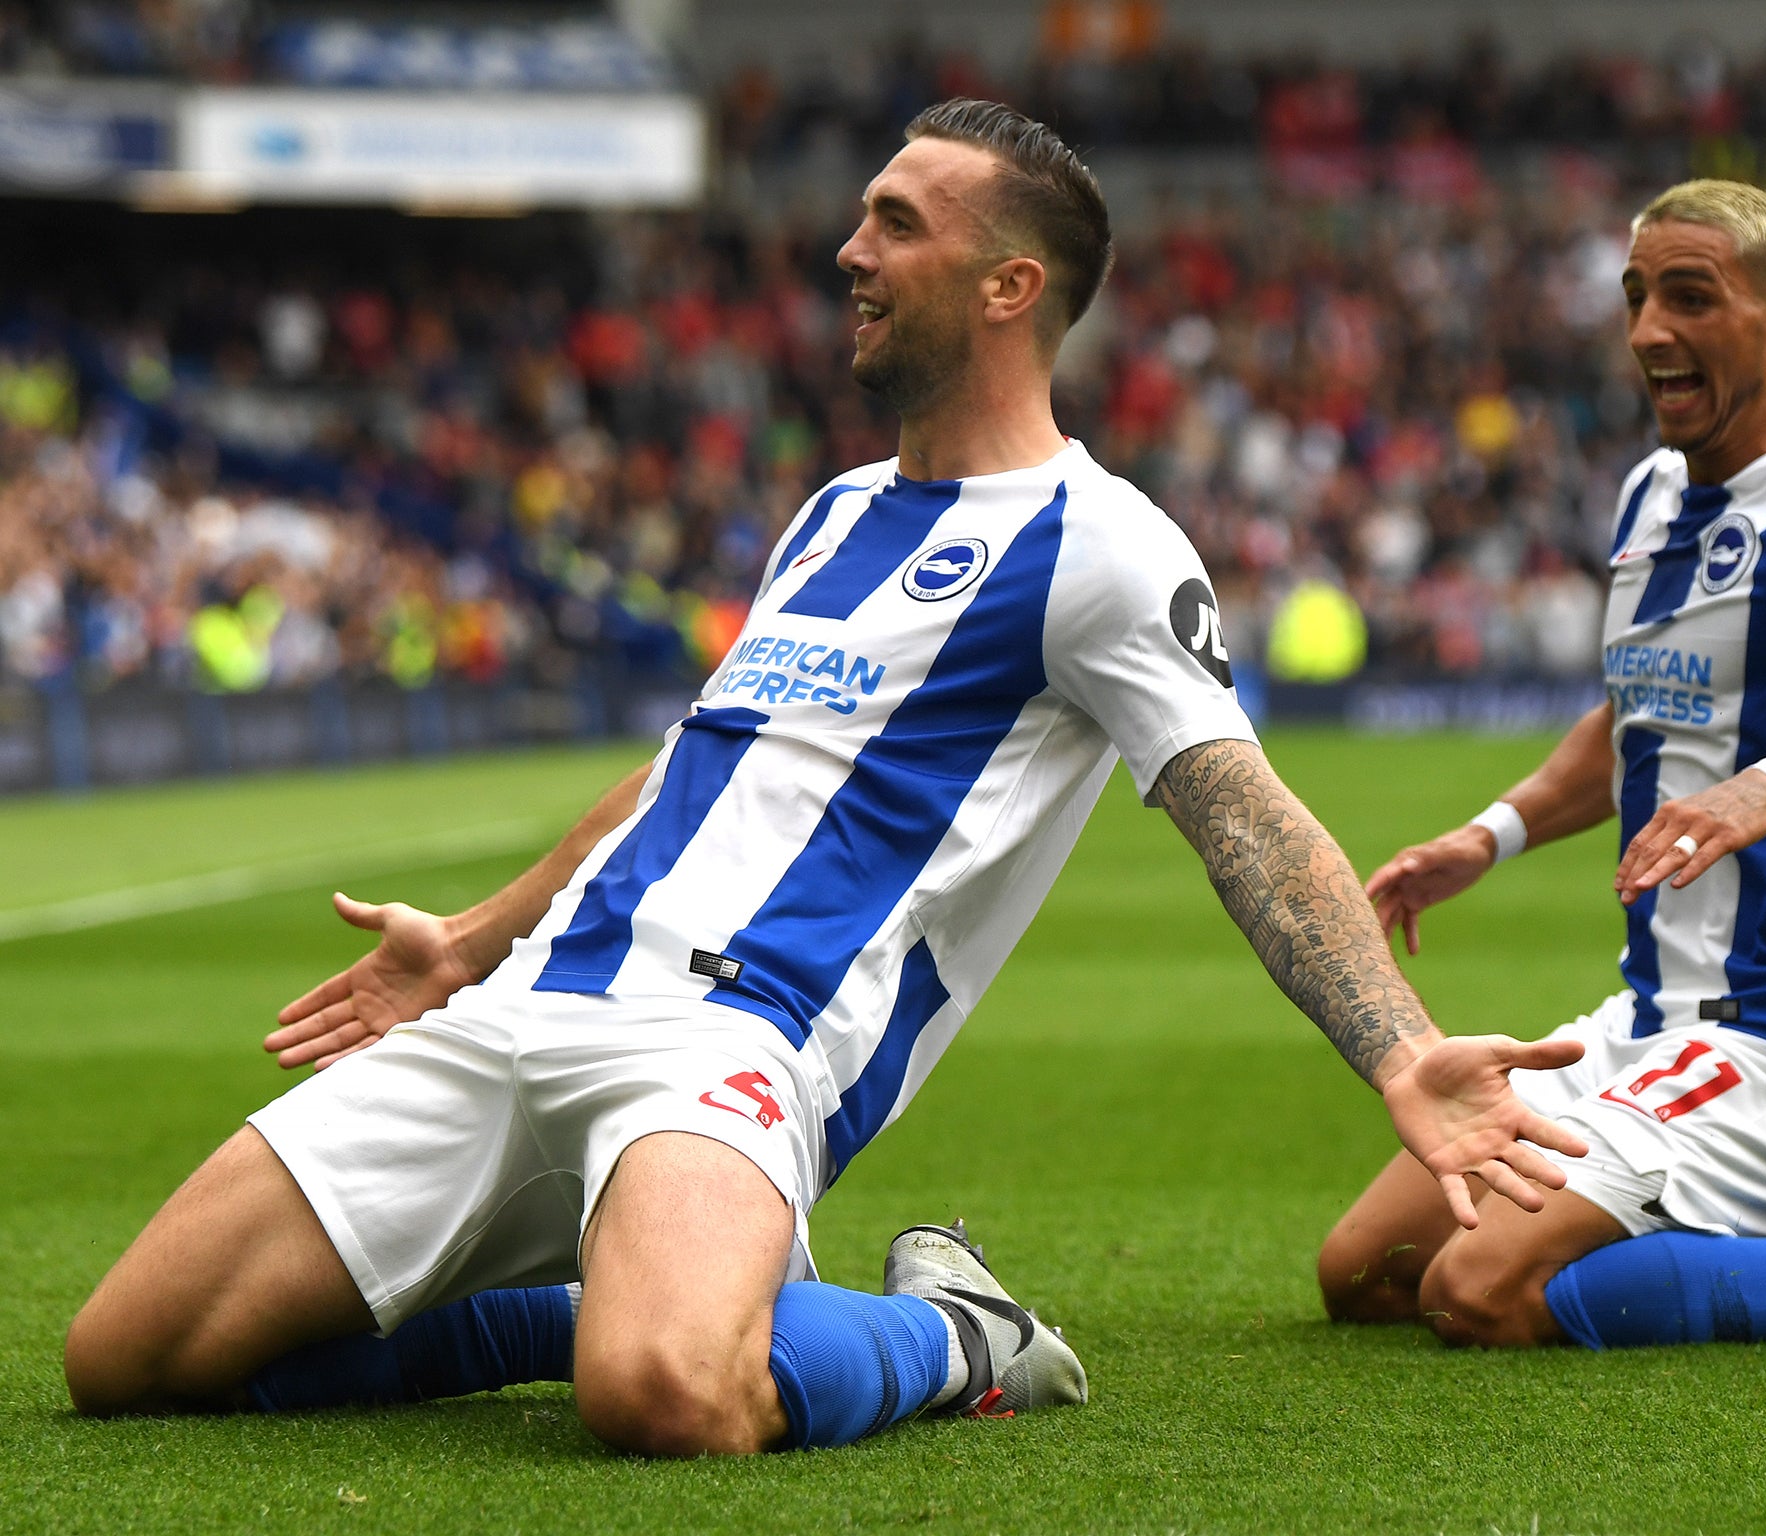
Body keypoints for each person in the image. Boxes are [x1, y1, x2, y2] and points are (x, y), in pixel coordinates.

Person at [63, 100, 1586, 1456]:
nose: (846, 250)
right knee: (134, 1358)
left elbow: (1241, 809)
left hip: (734, 1035)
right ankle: (620, 1289)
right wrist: (471, 942)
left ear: (1011, 288)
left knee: (663, 1396)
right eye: (862, 214)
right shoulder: (837, 507)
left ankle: (956, 1335)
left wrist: (1399, 1054)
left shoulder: (1102, 547)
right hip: (528, 1007)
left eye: (895, 225)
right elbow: (698, 768)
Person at [1317, 178, 1766, 1352]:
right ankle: (1762, 1223)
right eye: (1636, 296)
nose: (1648, 329)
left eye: (1689, 297)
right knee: (1365, 1273)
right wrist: (1487, 836)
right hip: (1650, 1024)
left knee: (1477, 1293)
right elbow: (1640, 719)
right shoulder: (1653, 490)